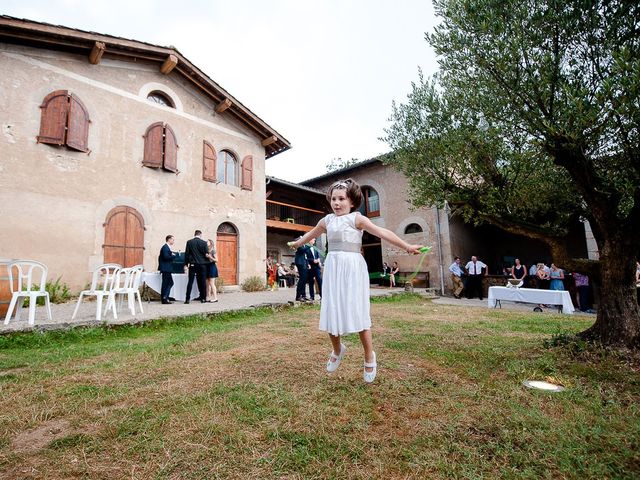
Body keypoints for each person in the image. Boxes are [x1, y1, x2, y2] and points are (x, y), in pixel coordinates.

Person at [288, 178, 422, 383]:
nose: (336, 203)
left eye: (341, 198)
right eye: (333, 198)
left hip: (352, 268)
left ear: (352, 201)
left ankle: (369, 355)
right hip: (333, 267)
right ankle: (337, 348)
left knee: (357, 311)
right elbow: (310, 234)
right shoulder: (327, 221)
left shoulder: (357, 219)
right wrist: (297, 243)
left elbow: (382, 232)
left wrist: (407, 246)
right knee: (331, 308)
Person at [184, 229, 209, 304]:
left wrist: (186, 264)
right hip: (202, 265)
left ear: (194, 234)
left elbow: (187, 254)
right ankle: (203, 298)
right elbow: (206, 254)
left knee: (190, 281)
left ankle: (187, 299)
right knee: (202, 282)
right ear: (200, 235)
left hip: (193, 264)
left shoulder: (189, 242)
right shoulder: (204, 243)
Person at [158, 234, 176, 304]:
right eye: (173, 239)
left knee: (167, 283)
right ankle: (165, 298)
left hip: (167, 268)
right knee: (168, 283)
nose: (173, 241)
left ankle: (165, 297)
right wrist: (173, 256)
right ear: (169, 239)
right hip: (166, 268)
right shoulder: (165, 247)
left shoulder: (167, 247)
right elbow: (165, 257)